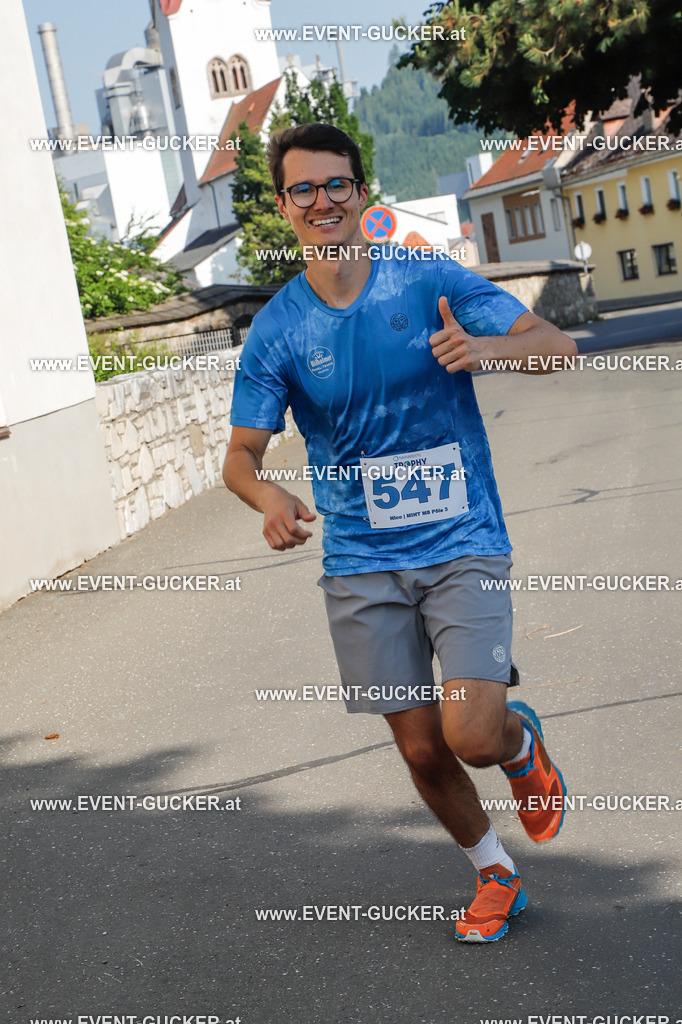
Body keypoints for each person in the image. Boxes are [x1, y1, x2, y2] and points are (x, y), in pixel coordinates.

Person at [223, 122, 576, 942]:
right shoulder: (278, 330)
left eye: (336, 185)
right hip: (360, 561)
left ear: (360, 192)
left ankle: (520, 747)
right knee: (422, 751)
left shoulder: (423, 281)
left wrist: (482, 347)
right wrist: (268, 497)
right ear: (283, 207)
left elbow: (555, 346)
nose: (322, 201)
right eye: (303, 189)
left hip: (462, 541)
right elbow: (239, 459)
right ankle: (495, 874)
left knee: (472, 735)